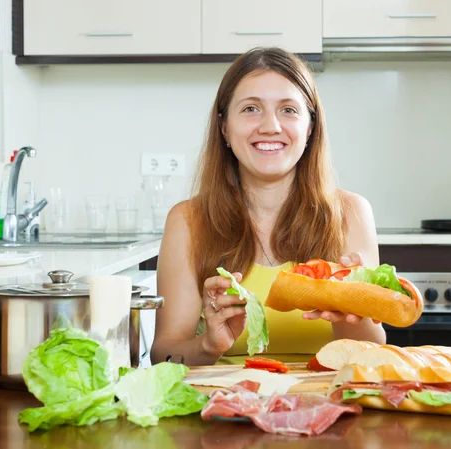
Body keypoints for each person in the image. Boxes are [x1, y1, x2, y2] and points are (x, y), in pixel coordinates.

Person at [151, 47, 385, 366]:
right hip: (227, 408)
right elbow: (164, 354)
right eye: (251, 109)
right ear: (224, 127)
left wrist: (346, 314)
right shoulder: (187, 220)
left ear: (311, 127)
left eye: (288, 110)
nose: (270, 126)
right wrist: (208, 345)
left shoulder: (352, 212)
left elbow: (371, 352)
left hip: (331, 406)